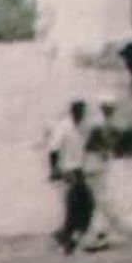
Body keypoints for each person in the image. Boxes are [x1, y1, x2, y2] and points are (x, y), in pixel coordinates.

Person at [47, 100, 94, 254]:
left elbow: (83, 149)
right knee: (81, 204)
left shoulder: (82, 127)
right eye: (79, 112)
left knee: (84, 206)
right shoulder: (64, 127)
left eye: (83, 112)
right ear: (73, 111)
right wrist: (54, 170)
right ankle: (67, 239)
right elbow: (53, 148)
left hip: (78, 170)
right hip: (68, 170)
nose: (82, 115)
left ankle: (65, 237)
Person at [81, 102, 126, 250]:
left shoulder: (99, 125)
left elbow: (94, 146)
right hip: (97, 164)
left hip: (94, 164)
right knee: (100, 198)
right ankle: (106, 231)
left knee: (98, 199)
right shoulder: (105, 125)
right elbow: (106, 146)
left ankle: (104, 231)